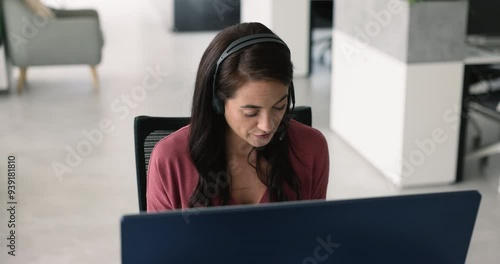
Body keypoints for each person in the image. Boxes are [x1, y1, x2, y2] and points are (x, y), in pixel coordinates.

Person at [147, 22, 329, 211]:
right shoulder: (170, 160)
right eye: (251, 112)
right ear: (218, 101)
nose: (267, 126)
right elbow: (158, 241)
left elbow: (315, 233)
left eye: (279, 106)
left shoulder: (312, 148)